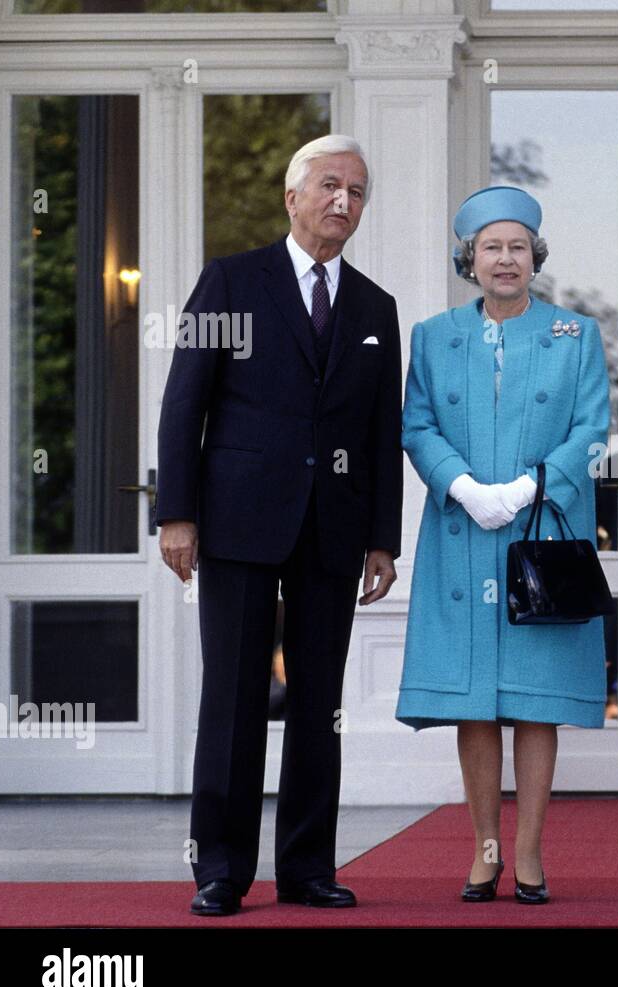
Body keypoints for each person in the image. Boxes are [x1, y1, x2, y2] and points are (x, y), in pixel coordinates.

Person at [156, 134, 403, 917]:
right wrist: (177, 513)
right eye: (330, 185)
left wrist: (383, 538)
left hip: (333, 530)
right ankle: (221, 871)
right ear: (292, 197)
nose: (343, 201)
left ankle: (306, 869)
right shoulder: (229, 281)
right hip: (235, 524)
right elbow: (182, 403)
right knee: (231, 699)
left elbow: (379, 432)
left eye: (357, 192)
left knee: (318, 705)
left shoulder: (373, 306)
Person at [396, 185, 610, 905]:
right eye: (492, 247)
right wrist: (463, 487)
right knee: (477, 703)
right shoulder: (432, 335)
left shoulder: (574, 336)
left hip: (539, 533)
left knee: (536, 700)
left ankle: (529, 854)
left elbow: (591, 430)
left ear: (535, 256)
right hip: (462, 534)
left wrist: (526, 488)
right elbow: (417, 425)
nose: (506, 260)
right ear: (470, 258)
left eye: (518, 247)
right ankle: (484, 850)